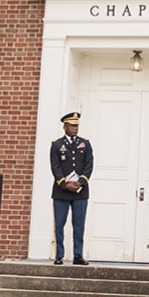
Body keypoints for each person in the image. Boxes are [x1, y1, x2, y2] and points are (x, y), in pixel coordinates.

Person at [50, 111, 93, 265]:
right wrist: (64, 184)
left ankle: (77, 255)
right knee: (60, 224)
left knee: (79, 224)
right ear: (65, 127)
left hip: (80, 192)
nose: (75, 128)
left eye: (77, 126)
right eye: (72, 126)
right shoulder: (56, 144)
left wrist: (81, 182)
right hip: (62, 191)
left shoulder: (85, 143)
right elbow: (55, 166)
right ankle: (59, 255)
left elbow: (89, 165)